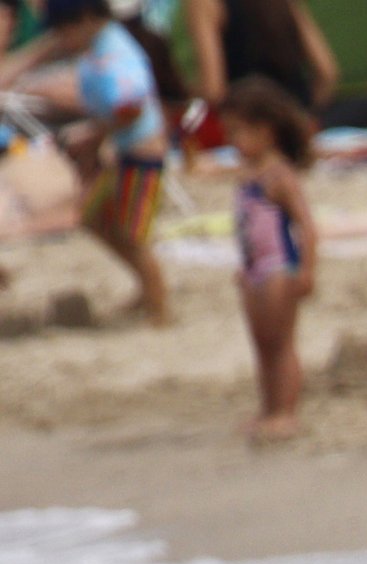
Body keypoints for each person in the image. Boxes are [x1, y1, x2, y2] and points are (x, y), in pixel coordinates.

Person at [7, 0, 170, 323]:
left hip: (141, 156)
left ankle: (159, 309)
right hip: (125, 154)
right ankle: (146, 291)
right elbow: (47, 50)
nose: (62, 38)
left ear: (84, 20)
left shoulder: (113, 54)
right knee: (94, 217)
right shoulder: (97, 43)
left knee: (132, 236)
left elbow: (131, 106)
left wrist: (94, 134)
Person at [223, 75, 316, 441]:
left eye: (239, 133)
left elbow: (306, 227)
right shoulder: (249, 173)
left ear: (267, 130)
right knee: (261, 344)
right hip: (254, 269)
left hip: (279, 267)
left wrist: (307, 270)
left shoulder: (279, 176)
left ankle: (286, 411)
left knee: (281, 343)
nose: (233, 142)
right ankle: (267, 409)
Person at [182, 0, 335, 115]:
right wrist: (302, 118)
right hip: (296, 125)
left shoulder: (203, 4)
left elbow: (214, 90)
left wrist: (183, 94)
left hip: (248, 126)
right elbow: (327, 72)